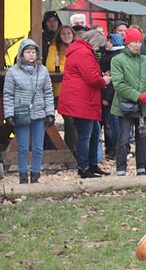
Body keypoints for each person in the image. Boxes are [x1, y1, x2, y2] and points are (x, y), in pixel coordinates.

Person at [59, 29, 112, 179]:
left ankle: (92, 163)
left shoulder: (79, 50)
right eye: (99, 47)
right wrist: (104, 80)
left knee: (95, 132)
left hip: (82, 99)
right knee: (85, 135)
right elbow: (92, 79)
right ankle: (83, 167)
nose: (99, 50)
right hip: (81, 101)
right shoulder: (83, 53)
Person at [3, 39, 54, 184]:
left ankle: (36, 175)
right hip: (21, 112)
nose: (31, 55)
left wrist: (50, 113)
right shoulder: (12, 72)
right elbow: (8, 95)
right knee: (23, 147)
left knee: (38, 147)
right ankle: (23, 176)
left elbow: (48, 93)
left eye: (33, 52)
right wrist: (9, 114)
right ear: (22, 54)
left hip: (39, 112)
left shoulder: (43, 71)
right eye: (28, 52)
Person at [111, 28, 146, 176]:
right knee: (124, 139)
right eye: (133, 42)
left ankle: (142, 168)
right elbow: (119, 84)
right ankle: (121, 168)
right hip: (125, 106)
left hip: (143, 106)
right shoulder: (117, 60)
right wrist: (138, 95)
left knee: (142, 138)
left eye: (138, 41)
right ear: (127, 43)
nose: (136, 45)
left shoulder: (145, 60)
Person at [46, 25, 76, 155]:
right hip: (58, 91)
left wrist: (63, 67)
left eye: (69, 33)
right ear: (59, 35)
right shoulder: (54, 48)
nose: (66, 36)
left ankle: (71, 150)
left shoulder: (77, 47)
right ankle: (53, 147)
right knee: (49, 120)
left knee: (72, 122)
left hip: (75, 92)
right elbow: (50, 66)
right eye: (63, 33)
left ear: (73, 34)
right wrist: (71, 68)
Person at [100, 33, 124, 160]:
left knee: (112, 125)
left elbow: (113, 80)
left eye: (109, 40)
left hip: (111, 97)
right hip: (116, 97)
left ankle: (113, 150)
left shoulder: (111, 58)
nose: (106, 43)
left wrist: (106, 98)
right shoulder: (116, 56)